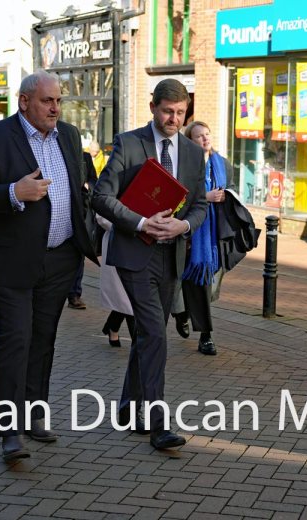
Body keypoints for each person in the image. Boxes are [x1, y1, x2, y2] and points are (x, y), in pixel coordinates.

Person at [0, 71, 97, 462]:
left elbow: (79, 188)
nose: (55, 108)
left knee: (43, 339)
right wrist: (12, 193)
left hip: (60, 258)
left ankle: (36, 414)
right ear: (24, 102)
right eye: (46, 101)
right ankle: (9, 431)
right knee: (16, 339)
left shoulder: (68, 136)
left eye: (58, 101)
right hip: (10, 260)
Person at [92, 79, 207, 450]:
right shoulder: (129, 143)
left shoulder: (192, 152)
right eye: (166, 111)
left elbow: (201, 204)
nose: (173, 119)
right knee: (156, 333)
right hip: (135, 252)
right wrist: (142, 222)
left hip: (171, 254)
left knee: (147, 334)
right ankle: (158, 425)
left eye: (180, 113)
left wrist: (183, 224)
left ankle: (128, 404)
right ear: (152, 106)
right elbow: (100, 197)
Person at [171, 120, 234, 356]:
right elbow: (176, 198)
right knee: (190, 283)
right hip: (189, 234)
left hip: (214, 237)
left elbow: (233, 190)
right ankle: (202, 333)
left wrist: (226, 196)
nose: (206, 139)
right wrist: (204, 197)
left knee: (206, 286)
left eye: (208, 134)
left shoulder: (222, 165)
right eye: (199, 136)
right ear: (190, 140)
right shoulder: (183, 165)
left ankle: (186, 315)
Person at [96, 212, 136, 347]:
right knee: (126, 299)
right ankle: (139, 346)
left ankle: (112, 326)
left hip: (141, 246)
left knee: (128, 298)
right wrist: (130, 226)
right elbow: (102, 216)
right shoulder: (108, 190)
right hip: (118, 243)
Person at [66, 152, 96, 311]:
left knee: (79, 254)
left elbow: (94, 180)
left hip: (80, 213)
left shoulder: (84, 157)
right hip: (58, 213)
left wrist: (87, 186)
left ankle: (74, 294)